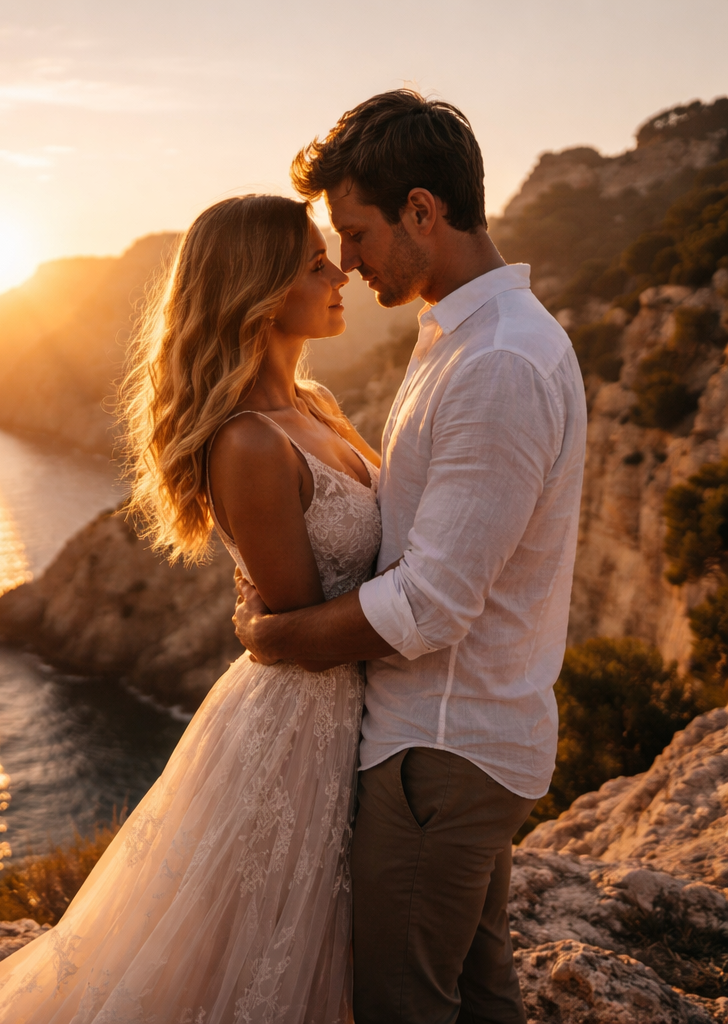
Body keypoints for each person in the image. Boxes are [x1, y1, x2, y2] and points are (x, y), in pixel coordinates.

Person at [0, 194, 382, 1024]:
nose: (339, 270)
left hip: (356, 713)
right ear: (260, 287)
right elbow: (301, 631)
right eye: (315, 262)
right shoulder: (249, 441)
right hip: (303, 731)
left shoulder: (314, 408)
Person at [233, 90, 588, 1024]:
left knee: (402, 1004)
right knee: (477, 995)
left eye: (355, 233)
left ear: (422, 211)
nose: (346, 262)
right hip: (455, 738)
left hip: (440, 744)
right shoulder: (462, 343)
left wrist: (276, 639)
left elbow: (431, 606)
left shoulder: (498, 364)